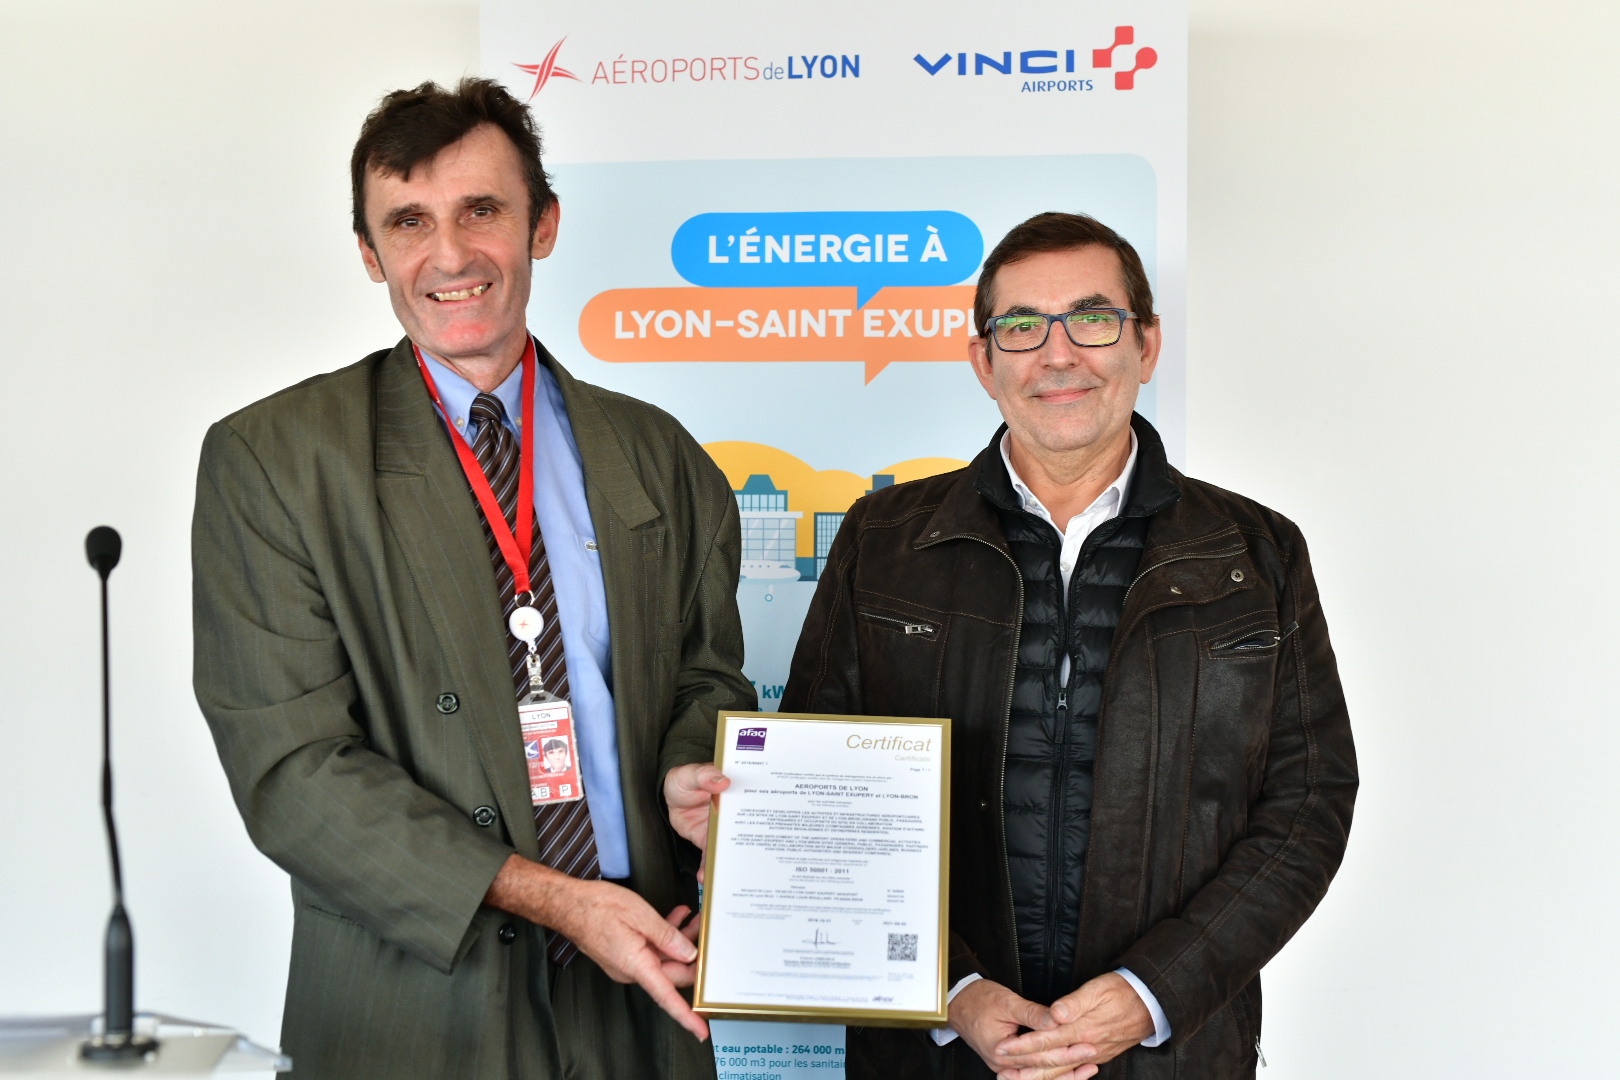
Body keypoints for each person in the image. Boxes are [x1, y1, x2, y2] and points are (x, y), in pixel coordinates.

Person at [192, 78, 753, 1080]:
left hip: (643, 989)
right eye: (409, 222)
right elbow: (292, 769)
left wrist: (684, 767)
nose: (449, 256)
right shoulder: (275, 461)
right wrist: (555, 899)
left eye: (481, 210)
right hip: (412, 1004)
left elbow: (707, 680)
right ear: (370, 253)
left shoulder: (659, 454)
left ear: (543, 225)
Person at [781, 212, 1357, 1080]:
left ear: (1146, 345)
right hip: (938, 1057)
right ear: (984, 362)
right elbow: (816, 795)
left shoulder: (1255, 552)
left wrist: (1153, 992)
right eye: (1021, 326)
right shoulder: (883, 541)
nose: (1058, 355)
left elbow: (1309, 802)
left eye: (1092, 319)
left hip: (1172, 1055)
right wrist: (951, 991)